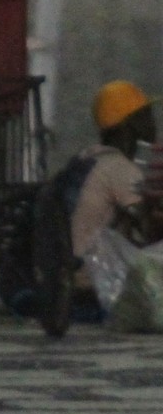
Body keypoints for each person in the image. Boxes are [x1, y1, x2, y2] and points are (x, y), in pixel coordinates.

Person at [66, 81, 163, 312]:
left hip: (68, 277)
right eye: (146, 117)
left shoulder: (86, 160)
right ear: (130, 126)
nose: (153, 125)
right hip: (92, 283)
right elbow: (150, 231)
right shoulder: (120, 169)